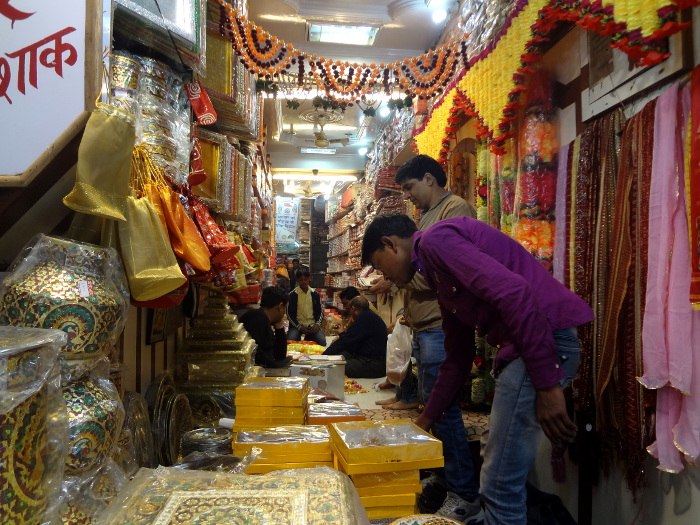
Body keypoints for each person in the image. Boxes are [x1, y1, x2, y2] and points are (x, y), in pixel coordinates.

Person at [361, 214, 594, 525]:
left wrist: (549, 387)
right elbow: (457, 358)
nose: (383, 275)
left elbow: (515, 292)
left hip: (542, 340)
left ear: (390, 245)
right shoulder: (435, 271)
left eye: (379, 265)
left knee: (499, 483)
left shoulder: (435, 241)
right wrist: (423, 423)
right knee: (498, 474)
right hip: (532, 345)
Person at [370, 154, 478, 520]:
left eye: (410, 187)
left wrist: (399, 276)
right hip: (425, 324)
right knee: (432, 404)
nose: (408, 196)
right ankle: (444, 477)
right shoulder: (426, 217)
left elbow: (443, 273)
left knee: (443, 409)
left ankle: (462, 489)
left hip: (439, 325)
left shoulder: (455, 209)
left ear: (430, 179)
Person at [323, 296, 387, 378]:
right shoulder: (369, 315)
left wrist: (323, 356)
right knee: (339, 355)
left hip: (373, 364)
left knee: (334, 366)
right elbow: (351, 339)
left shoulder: (364, 318)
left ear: (353, 309)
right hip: (369, 358)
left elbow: (345, 341)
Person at [240, 286, 293, 369]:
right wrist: (275, 367)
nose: (284, 313)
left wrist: (279, 327)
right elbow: (256, 353)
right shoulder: (256, 319)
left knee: (288, 361)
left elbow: (280, 355)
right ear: (280, 306)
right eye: (284, 308)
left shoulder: (264, 318)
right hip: (257, 369)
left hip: (265, 366)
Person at [287, 270, 326, 346]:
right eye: (301, 280)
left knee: (322, 341)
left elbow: (320, 311)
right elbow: (289, 314)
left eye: (305, 279)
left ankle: (309, 337)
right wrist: (299, 327)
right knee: (290, 341)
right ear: (297, 281)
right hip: (297, 326)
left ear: (309, 279)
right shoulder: (292, 295)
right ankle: (306, 337)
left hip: (312, 325)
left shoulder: (315, 294)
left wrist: (317, 324)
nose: (303, 282)